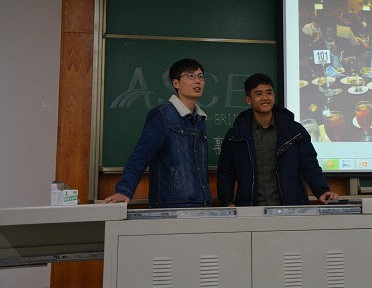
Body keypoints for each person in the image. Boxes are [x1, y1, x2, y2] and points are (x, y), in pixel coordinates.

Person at [104, 58, 212, 208]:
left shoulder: (200, 120)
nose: (197, 81)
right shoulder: (163, 115)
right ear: (176, 83)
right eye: (190, 76)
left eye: (200, 76)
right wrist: (124, 190)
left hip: (202, 204)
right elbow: (141, 155)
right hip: (172, 206)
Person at [217, 73, 339, 206]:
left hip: (290, 209)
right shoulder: (235, 135)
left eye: (269, 93)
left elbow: (309, 164)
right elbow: (226, 172)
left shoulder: (294, 131)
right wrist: (227, 202)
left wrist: (321, 190)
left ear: (274, 95)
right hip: (250, 210)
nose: (265, 98)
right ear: (248, 100)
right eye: (258, 94)